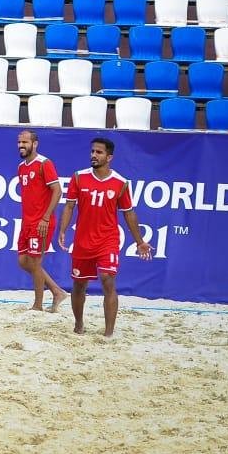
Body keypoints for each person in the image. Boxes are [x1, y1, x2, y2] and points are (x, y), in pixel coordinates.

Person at [56, 137, 153, 337]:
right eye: (92, 151)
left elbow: (128, 213)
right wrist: (63, 230)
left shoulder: (120, 183)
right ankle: (79, 324)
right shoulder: (79, 177)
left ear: (109, 157)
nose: (94, 155)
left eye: (99, 152)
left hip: (107, 240)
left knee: (108, 279)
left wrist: (140, 242)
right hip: (83, 240)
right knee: (79, 284)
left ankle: (108, 334)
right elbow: (69, 206)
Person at [15, 129, 68, 312]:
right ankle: (57, 291)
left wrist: (45, 218)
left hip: (41, 222)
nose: (21, 145)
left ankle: (38, 305)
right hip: (27, 222)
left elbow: (57, 190)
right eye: (19, 142)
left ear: (35, 144)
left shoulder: (44, 163)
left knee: (35, 262)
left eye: (25, 142)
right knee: (23, 261)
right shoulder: (21, 167)